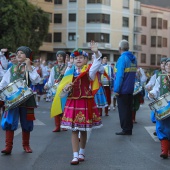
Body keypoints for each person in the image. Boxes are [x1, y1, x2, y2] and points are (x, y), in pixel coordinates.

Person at [59, 43, 102, 165]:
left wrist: (96, 52)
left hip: (84, 101)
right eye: (75, 57)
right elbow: (61, 91)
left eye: (81, 57)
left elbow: (98, 62)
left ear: (86, 60)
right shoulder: (69, 71)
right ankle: (75, 155)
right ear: (72, 60)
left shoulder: (89, 71)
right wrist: (66, 87)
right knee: (73, 130)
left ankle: (82, 152)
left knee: (83, 130)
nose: (78, 59)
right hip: (72, 101)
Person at [0, 46, 41, 154]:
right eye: (18, 53)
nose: (18, 55)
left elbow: (36, 81)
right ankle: (8, 146)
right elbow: (3, 83)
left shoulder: (31, 68)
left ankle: (26, 145)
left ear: (27, 56)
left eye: (22, 53)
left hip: (27, 99)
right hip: (12, 99)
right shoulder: (12, 68)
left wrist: (29, 66)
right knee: (10, 121)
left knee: (27, 122)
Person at [114, 40, 137, 135]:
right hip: (130, 89)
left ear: (120, 48)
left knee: (123, 111)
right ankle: (129, 128)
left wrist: (116, 89)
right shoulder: (134, 58)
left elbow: (119, 76)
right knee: (128, 110)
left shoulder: (122, 59)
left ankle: (125, 129)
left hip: (122, 90)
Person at [149, 58, 170, 159]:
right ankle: (164, 150)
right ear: (165, 67)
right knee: (161, 127)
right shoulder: (160, 78)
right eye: (167, 65)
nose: (168, 66)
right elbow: (155, 90)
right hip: (163, 106)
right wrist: (152, 94)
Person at [44, 51, 66, 132]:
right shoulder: (54, 68)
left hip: (65, 89)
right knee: (56, 107)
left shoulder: (68, 67)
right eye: (58, 56)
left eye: (61, 56)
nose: (59, 57)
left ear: (64, 57)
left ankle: (64, 125)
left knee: (64, 107)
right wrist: (47, 85)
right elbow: (51, 79)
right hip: (56, 89)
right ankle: (57, 126)